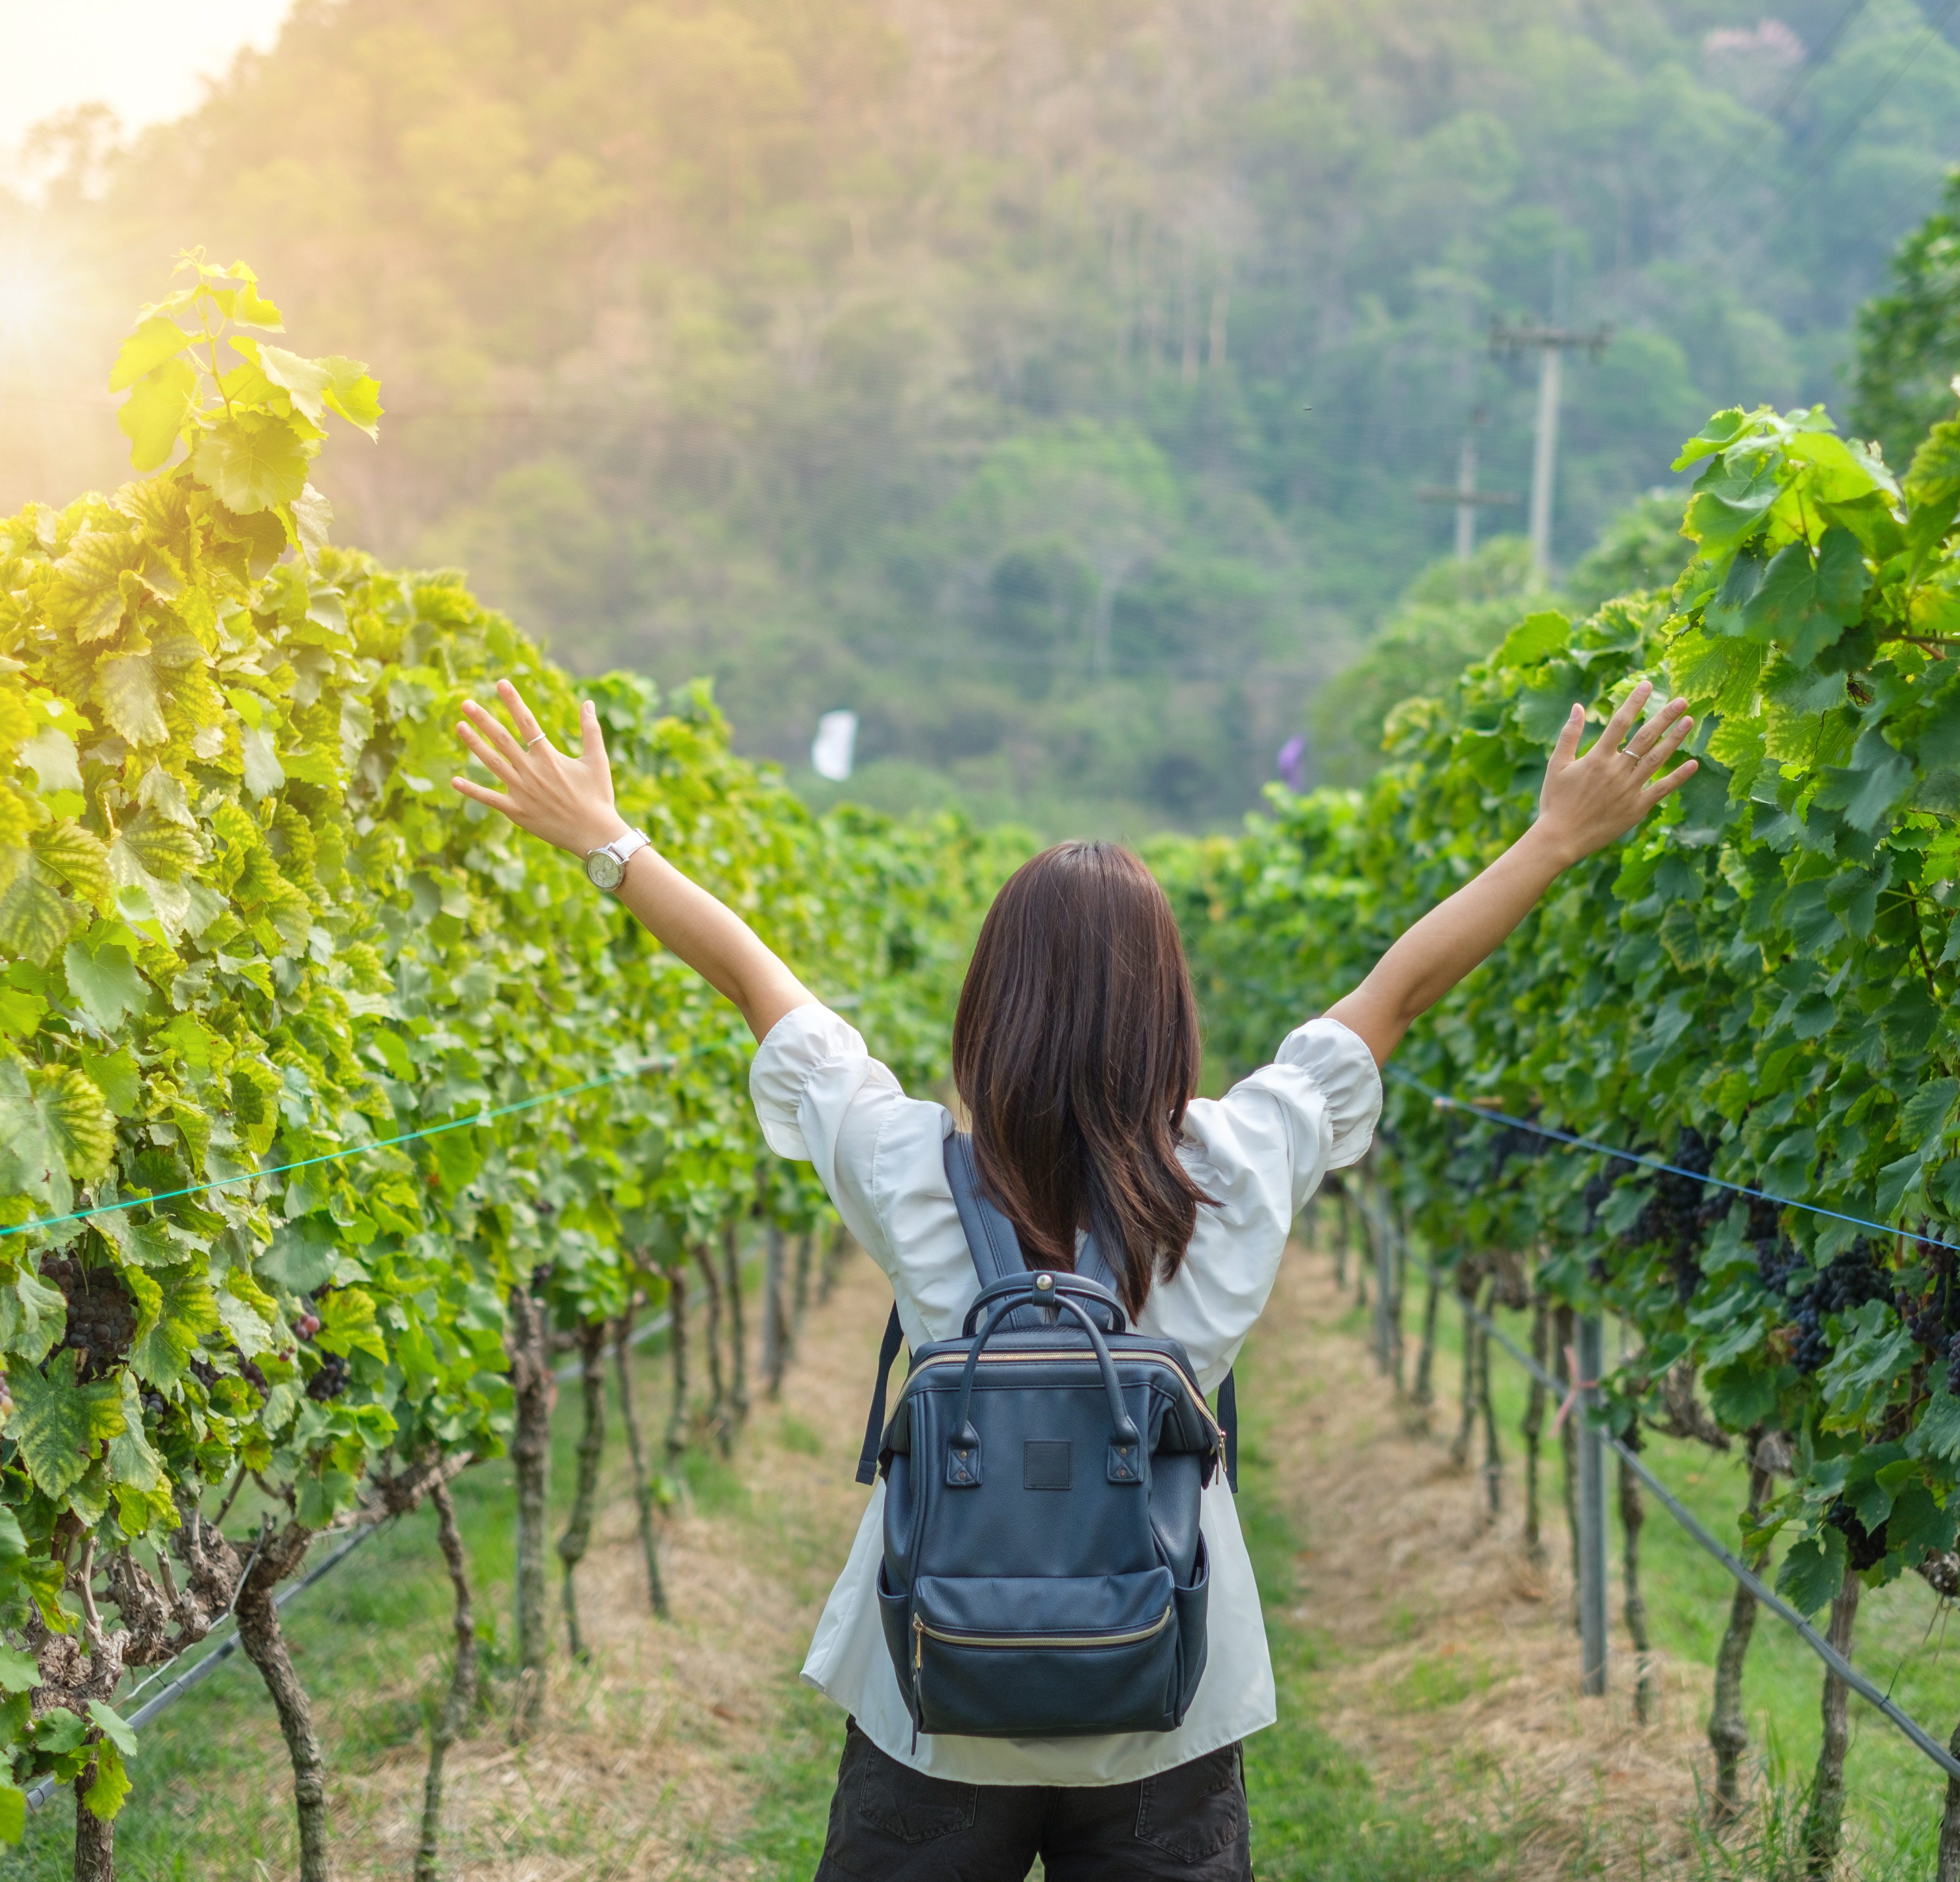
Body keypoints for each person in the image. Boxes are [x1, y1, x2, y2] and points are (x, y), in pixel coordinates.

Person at [448, 676, 1696, 1882]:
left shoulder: (909, 1166)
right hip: (1164, 1693)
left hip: (933, 1688)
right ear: (1169, 1009)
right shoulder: (1236, 1162)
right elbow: (1399, 993)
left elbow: (757, 986)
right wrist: (1553, 840)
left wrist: (607, 841)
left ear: (992, 1004)